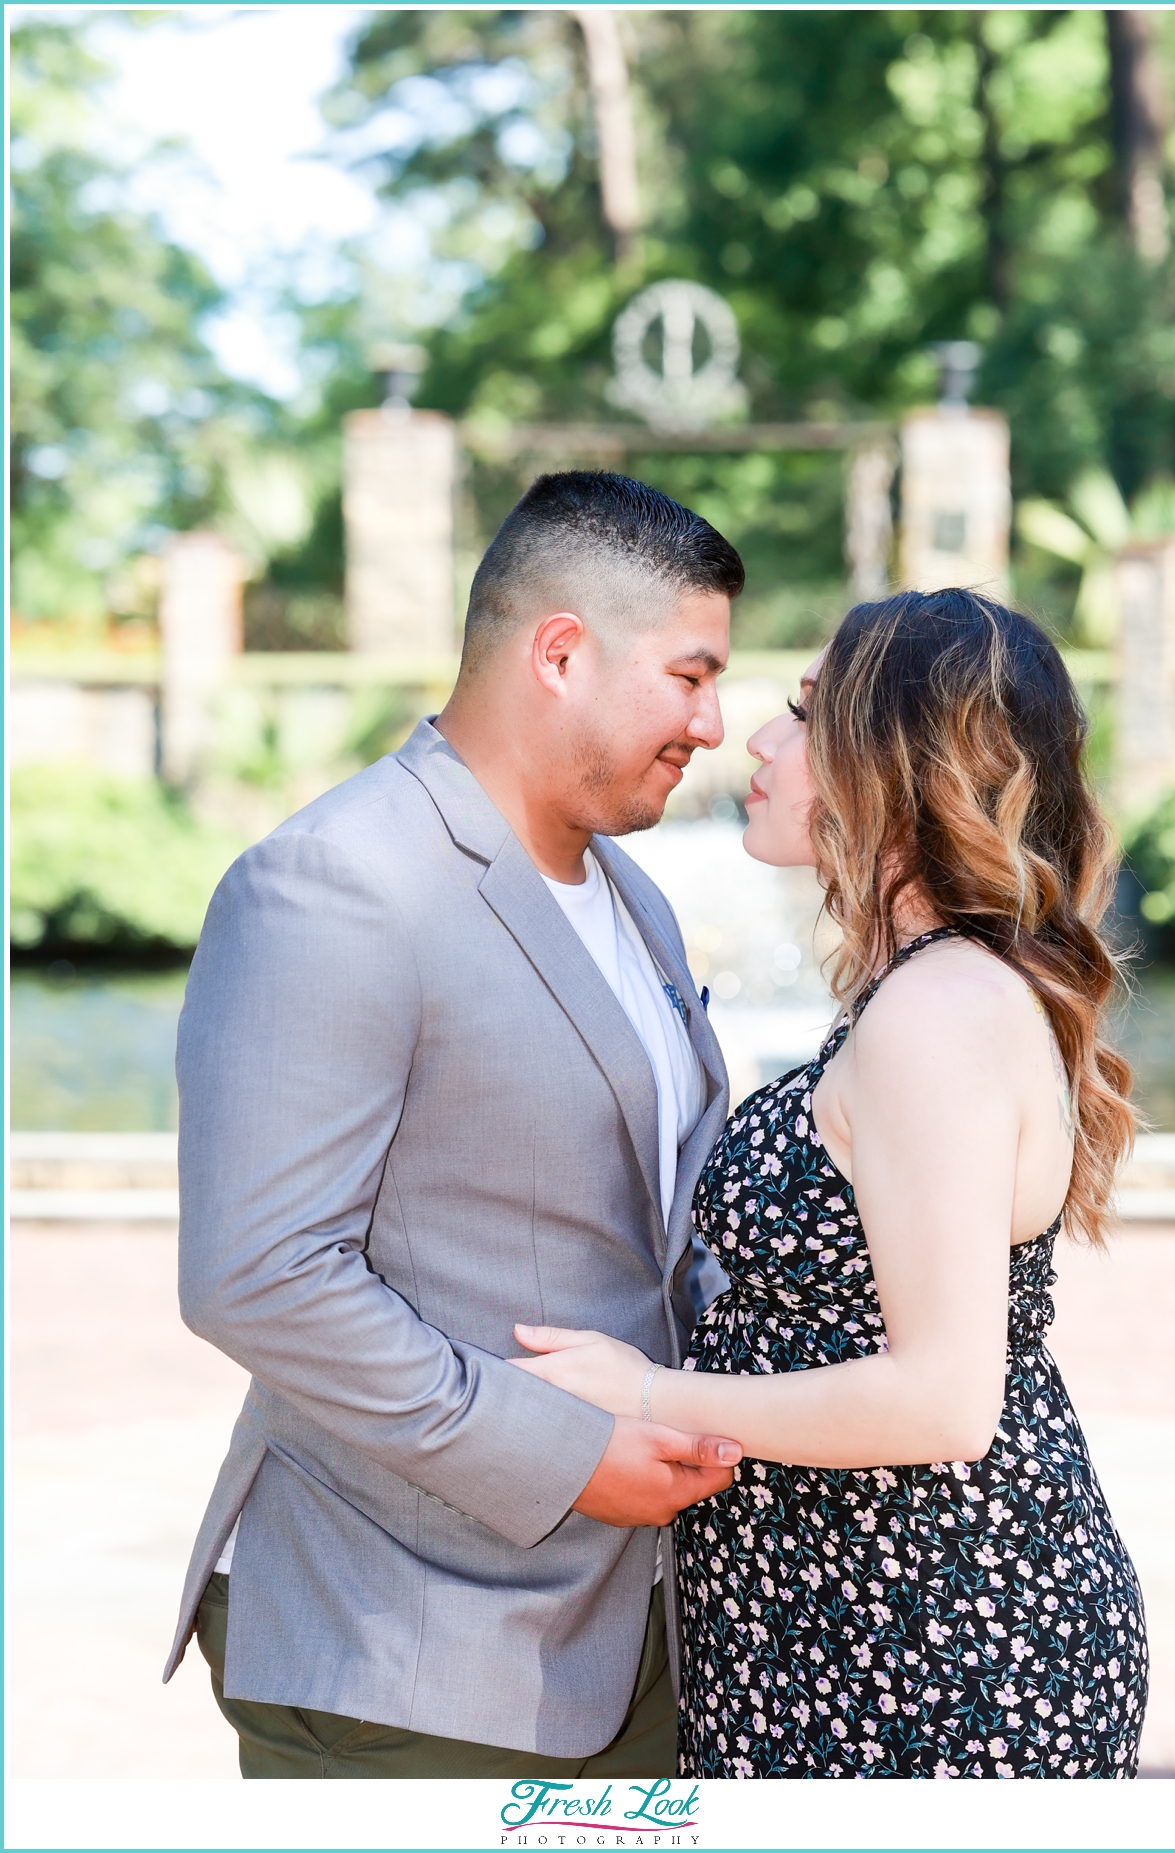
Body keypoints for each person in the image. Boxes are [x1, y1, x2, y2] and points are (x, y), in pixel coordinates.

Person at [163, 470, 746, 1779]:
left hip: (628, 1639)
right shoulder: (336, 882)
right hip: (402, 1648)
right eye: (691, 674)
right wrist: (572, 1454)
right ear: (559, 652)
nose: (715, 723)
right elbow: (257, 1275)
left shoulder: (634, 895)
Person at [512, 589, 1149, 1779]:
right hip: (861, 1621)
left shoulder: (940, 1010)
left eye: (805, 716)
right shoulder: (935, 990)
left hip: (932, 1646)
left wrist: (649, 1392)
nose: (755, 741)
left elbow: (944, 1400)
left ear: (892, 758)